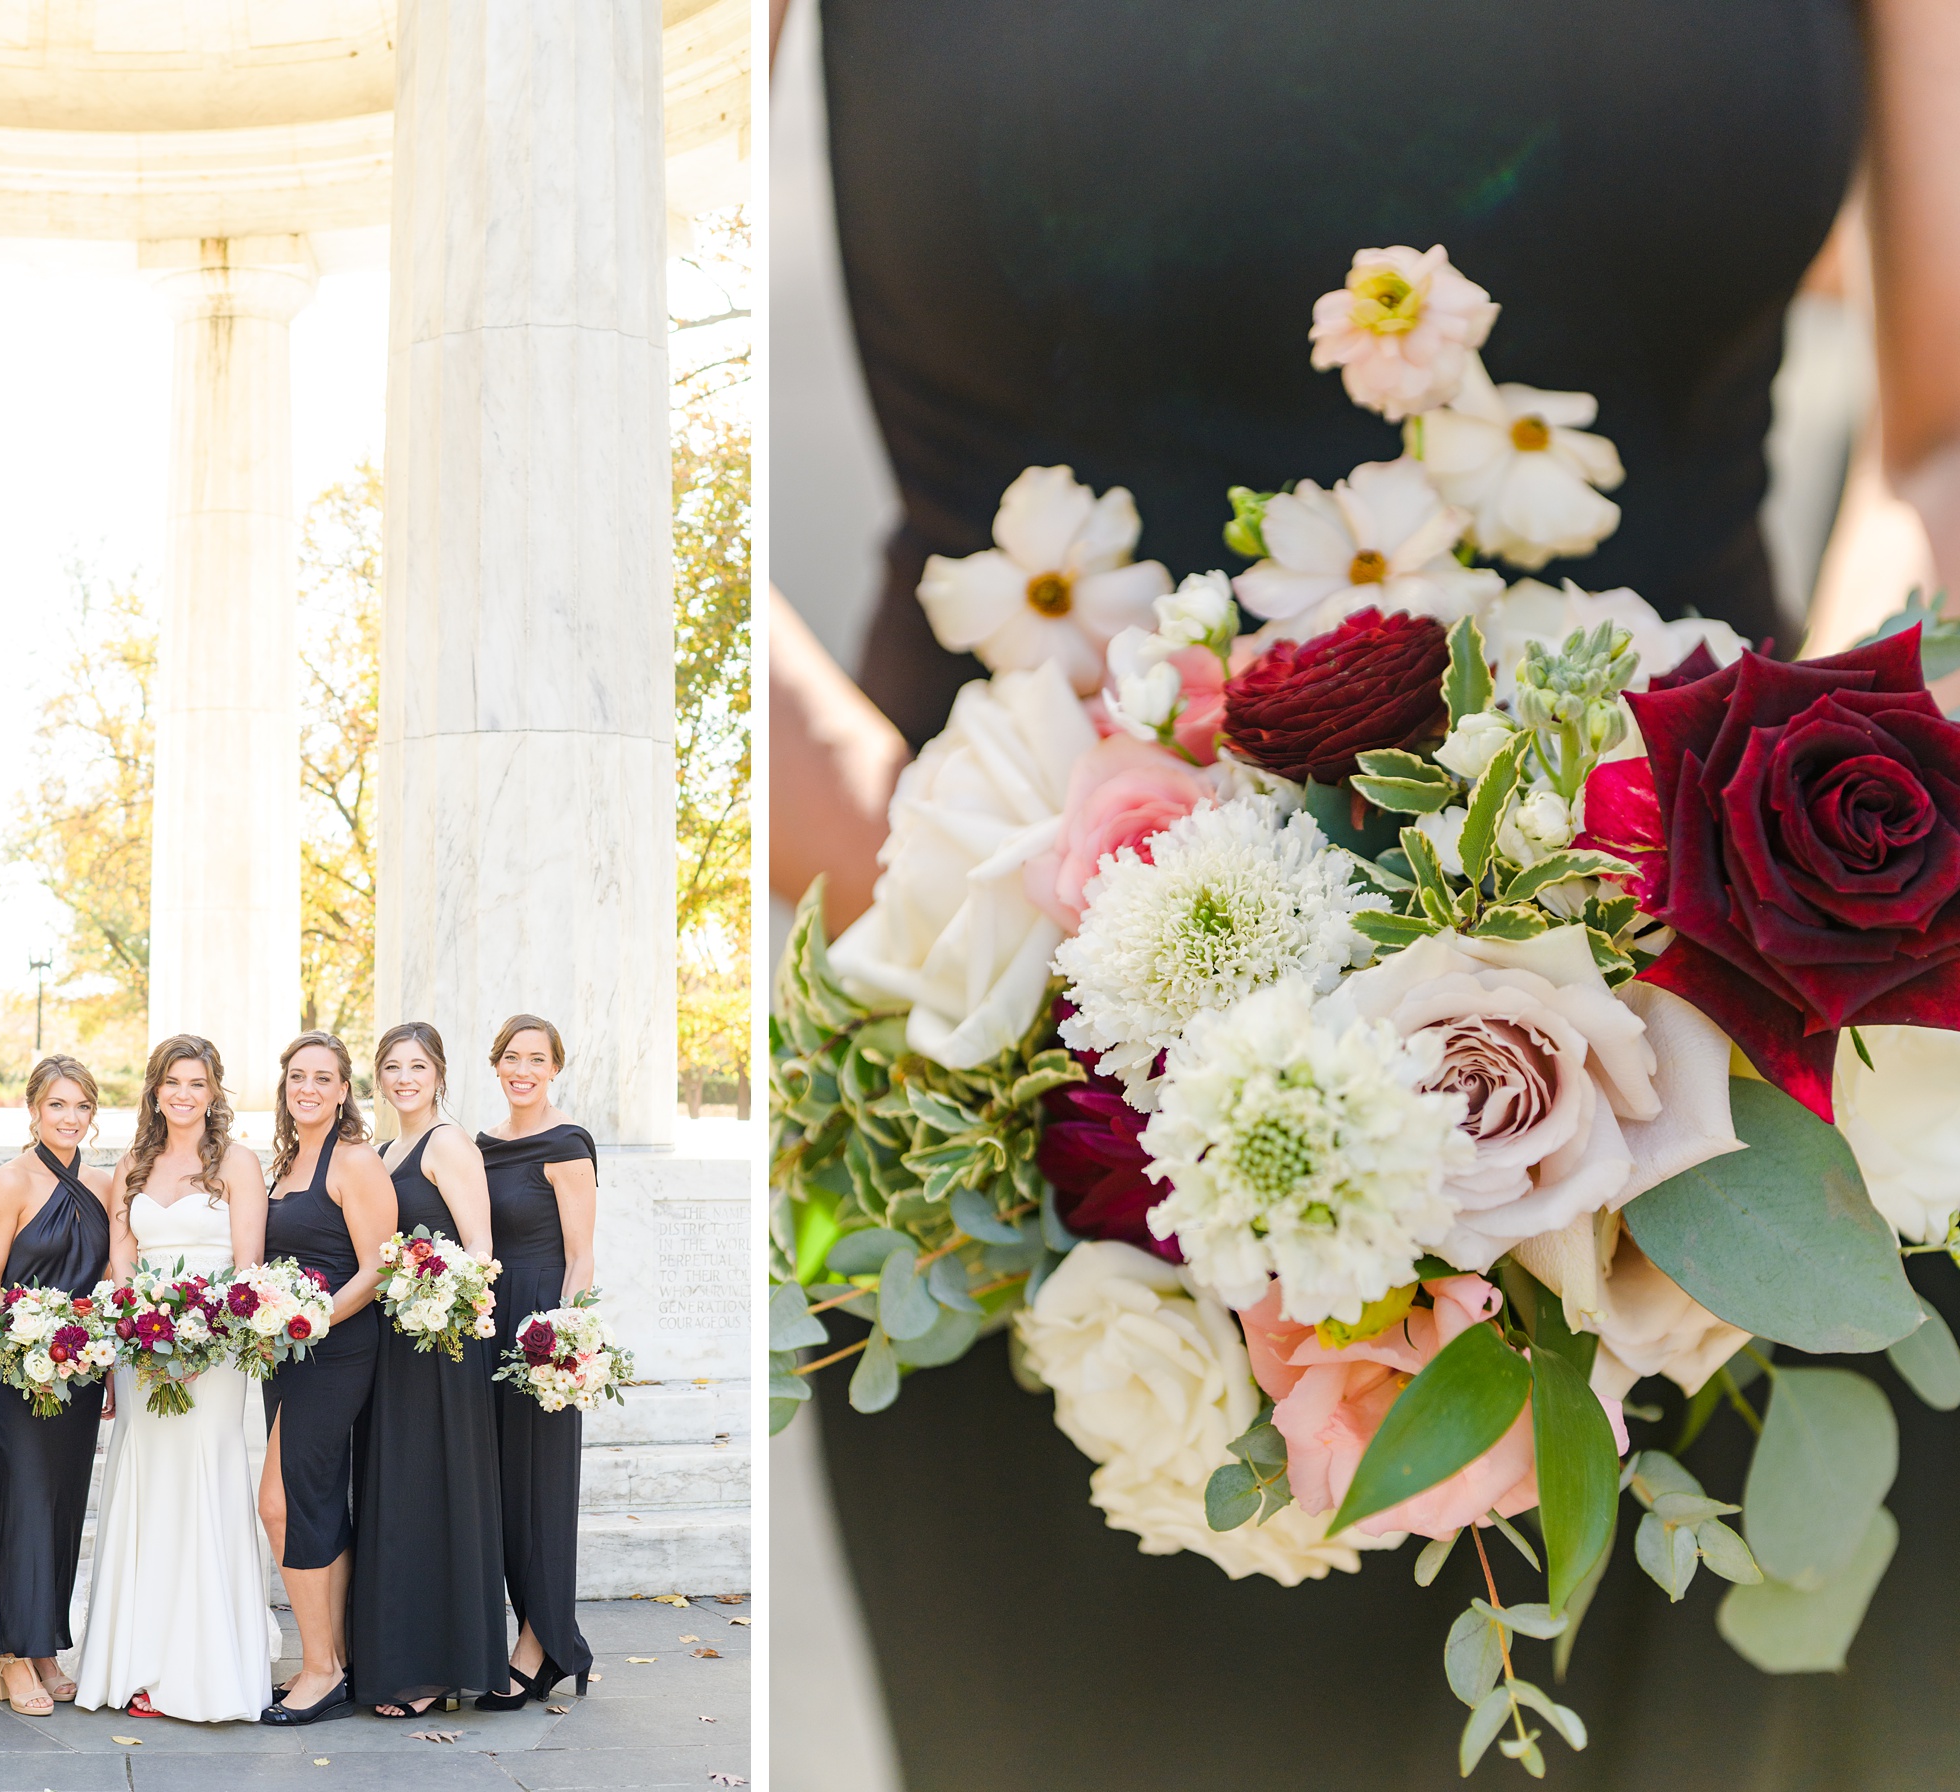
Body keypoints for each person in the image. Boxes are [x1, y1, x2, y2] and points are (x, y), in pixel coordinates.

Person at [767, 4, 1960, 1785]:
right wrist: (1013, 923)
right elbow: (577, 367)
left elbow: (1941, 432)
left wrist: (1858, 815)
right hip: (1051, 1134)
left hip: (1741, 1128)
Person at [73, 1035, 277, 1724]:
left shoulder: (241, 1165)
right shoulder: (132, 1164)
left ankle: (205, 1667)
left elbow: (247, 1266)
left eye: (197, 1083)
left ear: (215, 1092)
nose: (183, 1094)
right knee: (146, 1483)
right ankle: (135, 1661)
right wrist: (134, 1337)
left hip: (214, 1358)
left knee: (203, 1479)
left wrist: (204, 1339)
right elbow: (120, 1265)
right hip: (140, 1353)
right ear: (155, 1089)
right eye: (171, 1082)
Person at [348, 1022, 508, 1720]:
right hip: (391, 1346)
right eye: (391, 1067)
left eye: (416, 1066)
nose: (404, 1078)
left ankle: (438, 1669)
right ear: (378, 1078)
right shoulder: (385, 1150)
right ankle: (398, 1656)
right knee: (397, 1496)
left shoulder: (449, 1142)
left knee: (437, 1494)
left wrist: (430, 1286)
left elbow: (479, 1250)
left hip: (441, 1347)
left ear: (439, 1073)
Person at [253, 1030, 399, 1727]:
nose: (308, 1088)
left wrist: (313, 1321)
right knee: (312, 1502)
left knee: (280, 1502)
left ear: (344, 1090)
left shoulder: (353, 1159)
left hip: (336, 1350)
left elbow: (378, 1266)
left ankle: (318, 1669)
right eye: (297, 1077)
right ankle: (335, 1658)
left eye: (323, 1078)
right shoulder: (285, 1162)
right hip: (285, 1353)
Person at [0, 1054, 113, 1717]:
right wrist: (28, 1345)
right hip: (19, 1370)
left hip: (79, 1372)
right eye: (58, 1105)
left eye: (82, 1105)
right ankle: (10, 1654)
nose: (71, 1118)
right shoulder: (9, 1182)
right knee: (21, 1501)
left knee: (60, 1505)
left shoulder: (106, 1186)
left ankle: (47, 1644)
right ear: (32, 1110)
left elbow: (110, 1283)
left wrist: (98, 1362)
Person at [473, 1014, 598, 1707]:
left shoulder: (568, 1145)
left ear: (555, 1068)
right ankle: (543, 1638)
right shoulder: (481, 1146)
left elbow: (580, 1254)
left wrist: (563, 1338)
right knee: (499, 1489)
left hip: (541, 1324)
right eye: (512, 1058)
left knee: (542, 1489)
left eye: (537, 1059)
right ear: (497, 1066)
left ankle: (542, 1642)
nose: (523, 1070)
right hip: (490, 1323)